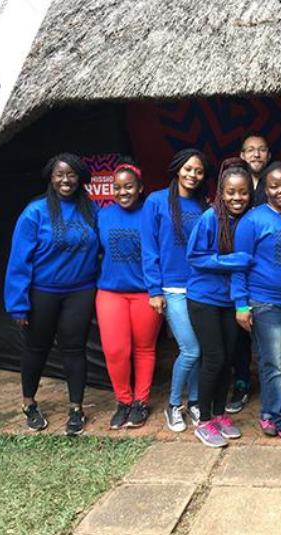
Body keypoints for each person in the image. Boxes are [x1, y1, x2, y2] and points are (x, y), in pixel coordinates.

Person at [4, 153, 99, 435]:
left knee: (74, 349)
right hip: (43, 293)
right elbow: (19, 261)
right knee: (36, 348)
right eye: (59, 175)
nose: (65, 180)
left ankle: (76, 408)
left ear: (80, 178)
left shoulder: (90, 211)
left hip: (80, 292)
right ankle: (29, 403)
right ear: (51, 178)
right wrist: (18, 305)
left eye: (71, 174)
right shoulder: (35, 212)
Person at [232, 162, 281, 445]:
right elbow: (239, 266)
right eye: (274, 185)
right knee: (274, 364)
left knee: (275, 362)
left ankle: (267, 412)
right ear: (265, 189)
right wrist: (241, 304)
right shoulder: (252, 221)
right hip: (264, 302)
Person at [186, 158, 253, 448]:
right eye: (231, 193)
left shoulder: (248, 220)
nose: (237, 198)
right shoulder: (209, 218)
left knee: (227, 359)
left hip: (230, 301)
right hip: (204, 299)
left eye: (243, 193)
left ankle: (219, 414)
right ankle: (202, 421)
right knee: (212, 358)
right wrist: (231, 261)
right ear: (221, 193)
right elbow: (195, 257)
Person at [142, 149, 210, 433]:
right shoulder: (156, 201)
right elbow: (149, 248)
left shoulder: (203, 205)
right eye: (188, 169)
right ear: (177, 169)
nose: (192, 175)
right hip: (172, 288)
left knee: (200, 349)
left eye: (198, 171)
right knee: (191, 349)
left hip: (200, 287)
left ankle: (194, 401)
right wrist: (154, 290)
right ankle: (173, 405)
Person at [96, 162, 161, 429]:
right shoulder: (102, 215)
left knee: (144, 348)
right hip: (111, 291)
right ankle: (123, 401)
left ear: (140, 188)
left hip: (145, 293)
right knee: (115, 350)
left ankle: (140, 402)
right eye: (118, 187)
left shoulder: (151, 213)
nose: (123, 192)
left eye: (129, 187)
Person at [226, 132, 273, 413]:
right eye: (250, 150)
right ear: (242, 155)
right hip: (239, 270)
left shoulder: (276, 183)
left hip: (267, 272)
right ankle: (241, 383)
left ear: (268, 154)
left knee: (269, 336)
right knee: (239, 334)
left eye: (262, 149)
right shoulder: (234, 186)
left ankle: (272, 389)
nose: (256, 154)